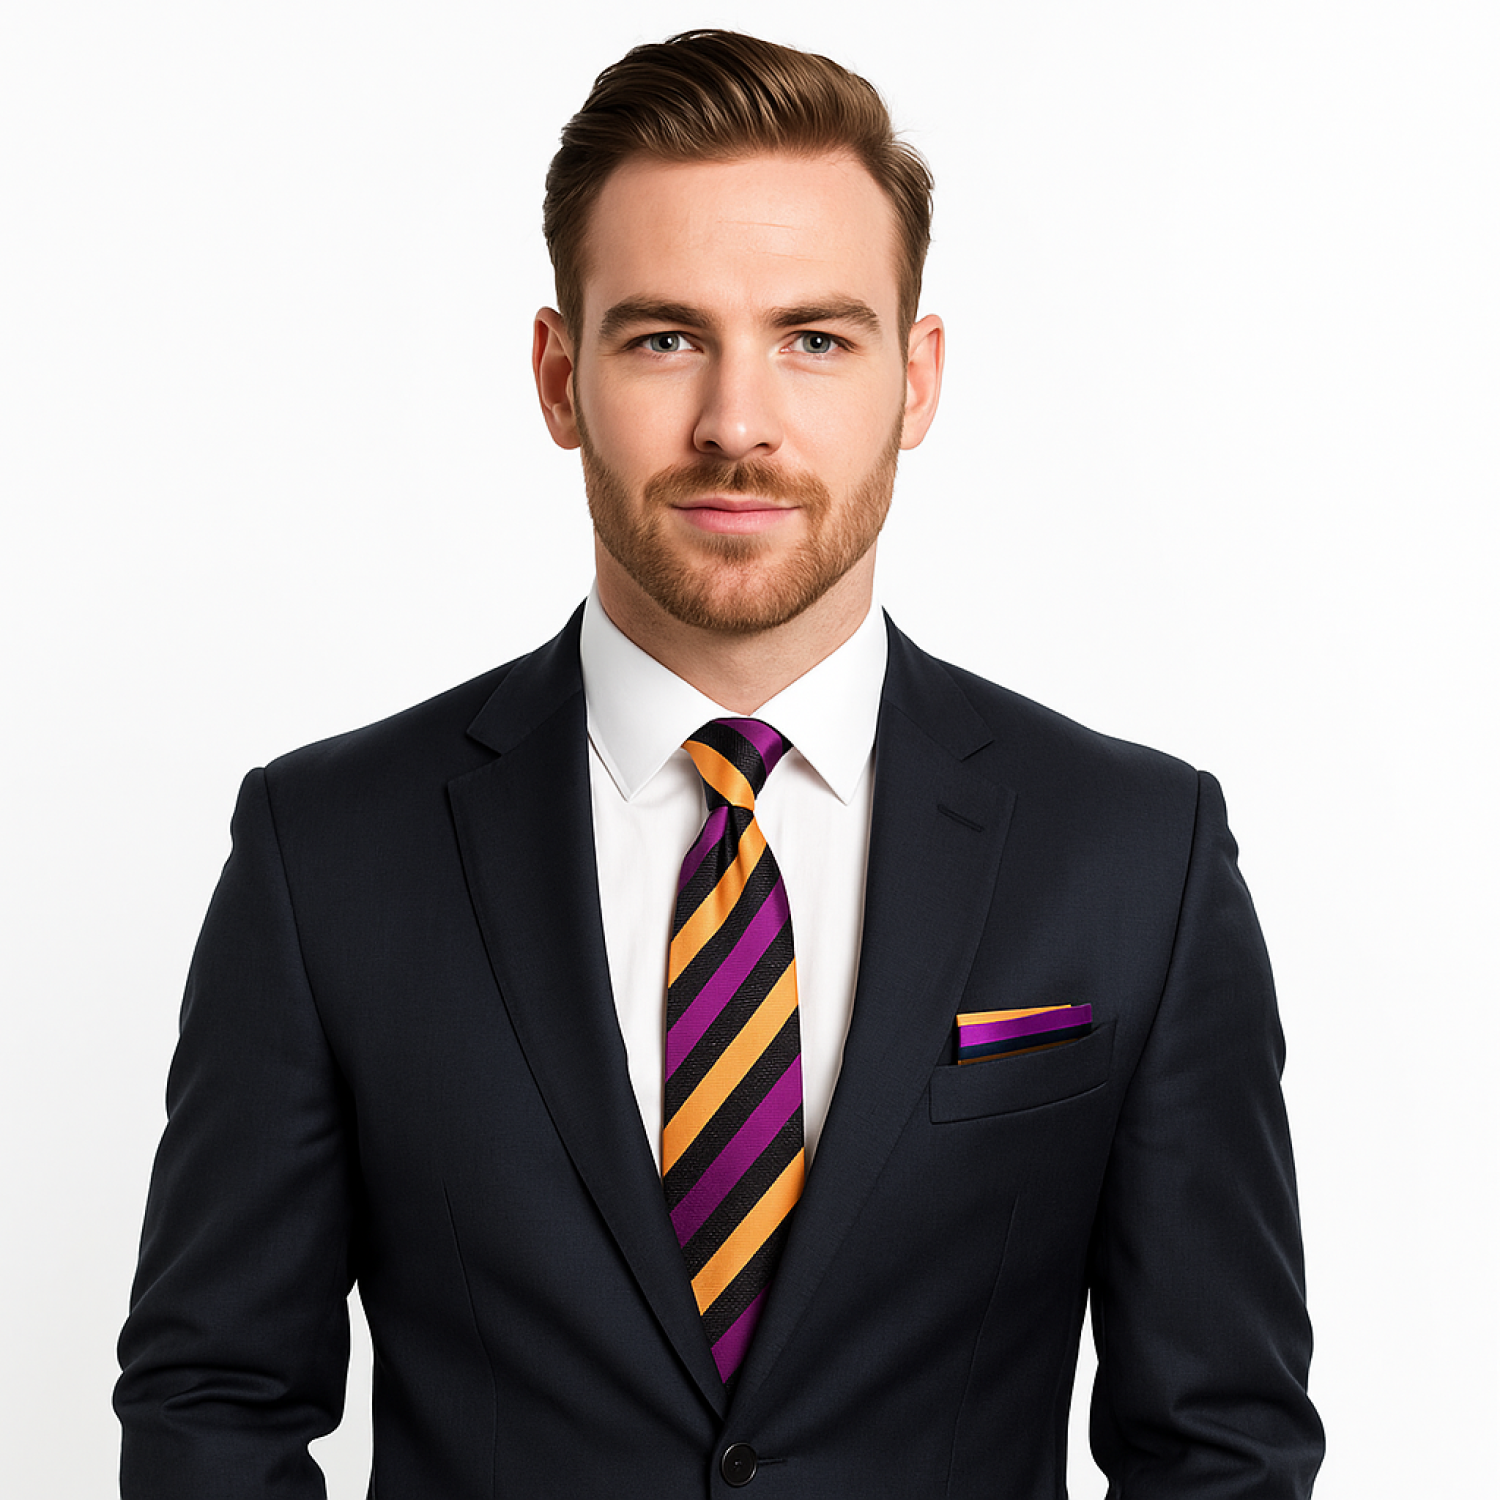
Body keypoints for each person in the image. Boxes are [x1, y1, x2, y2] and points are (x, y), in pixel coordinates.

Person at [116, 29, 1323, 1499]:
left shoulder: (1138, 856)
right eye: (665, 337)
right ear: (560, 378)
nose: (736, 424)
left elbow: (1220, 1447)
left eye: (815, 337)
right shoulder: (327, 853)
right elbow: (214, 1406)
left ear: (915, 380)